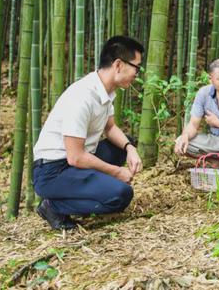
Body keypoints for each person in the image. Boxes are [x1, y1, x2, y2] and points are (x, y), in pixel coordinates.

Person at [33, 36, 145, 230]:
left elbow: (110, 127)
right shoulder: (82, 96)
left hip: (78, 159)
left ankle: (87, 188)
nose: (137, 73)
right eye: (137, 67)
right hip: (53, 171)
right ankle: (53, 206)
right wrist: (117, 172)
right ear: (118, 65)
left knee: (123, 145)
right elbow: (75, 157)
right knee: (121, 195)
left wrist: (130, 148)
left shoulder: (106, 91)